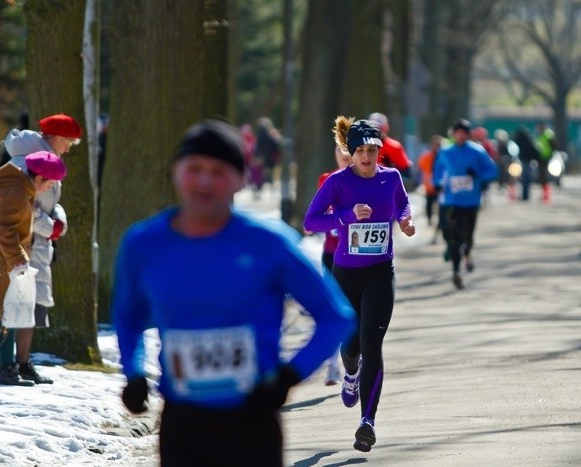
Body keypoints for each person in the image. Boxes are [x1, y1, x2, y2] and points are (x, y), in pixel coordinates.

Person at [112, 119, 354, 466]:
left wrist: (288, 377)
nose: (205, 181)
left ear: (241, 179)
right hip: (183, 423)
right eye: (194, 168)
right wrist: (134, 372)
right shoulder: (143, 244)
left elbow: (335, 316)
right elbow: (129, 317)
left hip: (252, 420)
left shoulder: (268, 241)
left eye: (219, 171)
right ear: (175, 172)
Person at [303, 116, 416, 452]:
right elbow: (311, 221)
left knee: (373, 344)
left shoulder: (391, 177)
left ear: (380, 151)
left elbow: (402, 203)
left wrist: (405, 219)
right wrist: (347, 216)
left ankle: (368, 422)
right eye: (361, 151)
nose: (367, 157)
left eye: (372, 150)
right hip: (346, 274)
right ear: (350, 153)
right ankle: (350, 374)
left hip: (381, 272)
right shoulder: (337, 183)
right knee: (350, 348)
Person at [2, 112, 83, 384]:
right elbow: (23, 206)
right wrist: (50, 226)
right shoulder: (26, 162)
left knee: (31, 305)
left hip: (36, 244)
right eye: (69, 142)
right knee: (13, 303)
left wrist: (58, 219)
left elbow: (50, 201)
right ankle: (7, 363)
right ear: (57, 138)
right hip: (22, 243)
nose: (69, 147)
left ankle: (22, 362)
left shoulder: (49, 161)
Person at [0, 151, 67, 386]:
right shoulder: (17, 191)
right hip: (2, 260)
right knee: (4, 313)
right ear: (39, 178)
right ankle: (6, 368)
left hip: (4, 259)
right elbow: (4, 228)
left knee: (7, 312)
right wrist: (17, 258)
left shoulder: (19, 187)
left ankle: (6, 367)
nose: (49, 189)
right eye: (50, 183)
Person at [433, 118, 498, 290]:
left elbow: (492, 170)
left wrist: (477, 174)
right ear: (453, 134)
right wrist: (438, 182)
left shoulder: (477, 151)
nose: (460, 136)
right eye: (457, 133)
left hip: (471, 201)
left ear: (468, 135)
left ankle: (468, 251)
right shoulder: (446, 151)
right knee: (453, 237)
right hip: (451, 200)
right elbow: (438, 170)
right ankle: (456, 271)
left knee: (467, 236)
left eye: (464, 133)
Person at [316, 145, 353, 386]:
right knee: (331, 308)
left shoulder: (367, 180)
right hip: (331, 252)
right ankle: (332, 367)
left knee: (353, 309)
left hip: (356, 255)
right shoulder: (326, 180)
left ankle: (354, 358)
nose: (343, 156)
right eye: (339, 151)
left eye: (348, 152)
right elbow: (316, 214)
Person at [368, 112, 413, 179]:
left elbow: (406, 174)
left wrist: (388, 169)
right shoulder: (361, 146)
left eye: (379, 128)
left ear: (386, 128)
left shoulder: (394, 146)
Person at [417, 134, 445, 242]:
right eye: (436, 144)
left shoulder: (445, 157)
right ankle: (430, 221)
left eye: (439, 144)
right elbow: (420, 170)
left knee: (441, 212)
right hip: (429, 188)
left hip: (442, 189)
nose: (437, 147)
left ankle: (437, 231)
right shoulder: (426, 157)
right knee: (429, 208)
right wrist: (418, 182)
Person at [513, 126, 540, 202]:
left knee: (524, 179)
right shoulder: (527, 140)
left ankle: (525, 195)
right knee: (526, 179)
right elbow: (533, 150)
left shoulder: (518, 141)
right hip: (527, 161)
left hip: (523, 161)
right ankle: (525, 195)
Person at [535, 122, 558, 203]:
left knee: (545, 176)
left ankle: (547, 195)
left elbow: (554, 146)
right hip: (541, 158)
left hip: (546, 158)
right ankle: (544, 194)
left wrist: (552, 155)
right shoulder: (540, 135)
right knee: (542, 176)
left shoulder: (548, 135)